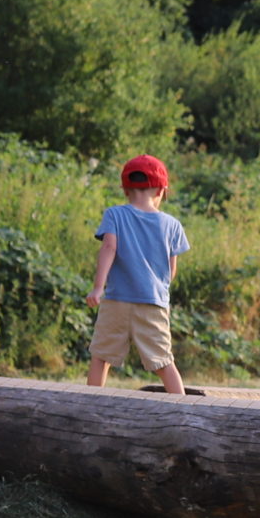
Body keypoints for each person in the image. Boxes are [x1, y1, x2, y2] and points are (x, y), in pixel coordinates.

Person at [86, 154, 191, 395]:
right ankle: (184, 409)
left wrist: (98, 288)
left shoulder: (114, 215)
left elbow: (109, 247)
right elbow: (170, 270)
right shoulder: (172, 224)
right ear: (162, 190)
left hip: (116, 301)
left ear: (125, 189)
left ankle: (89, 404)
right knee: (164, 361)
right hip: (152, 303)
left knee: (101, 356)